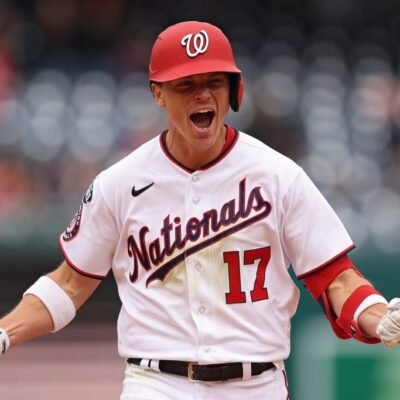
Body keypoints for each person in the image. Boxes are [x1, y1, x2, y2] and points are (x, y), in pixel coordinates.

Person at [1, 20, 399, 400]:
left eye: (213, 82)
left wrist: (376, 315)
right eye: (185, 84)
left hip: (255, 382)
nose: (203, 95)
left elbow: (335, 278)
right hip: (156, 382)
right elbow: (69, 284)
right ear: (158, 93)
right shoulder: (119, 183)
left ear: (233, 89)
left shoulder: (278, 177)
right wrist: (5, 330)